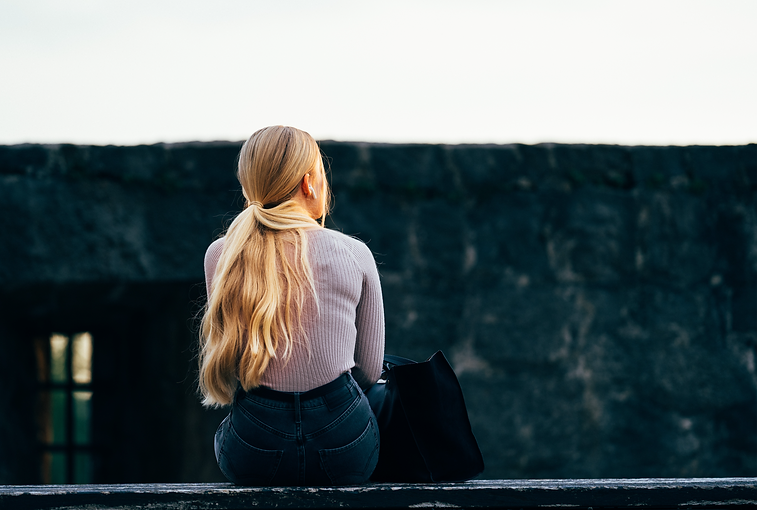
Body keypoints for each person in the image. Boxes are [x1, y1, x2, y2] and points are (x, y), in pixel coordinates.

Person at [199, 126, 385, 486]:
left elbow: (235, 368)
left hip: (254, 447)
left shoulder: (221, 255)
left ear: (248, 187)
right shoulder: (354, 253)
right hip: (345, 444)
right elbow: (369, 369)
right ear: (308, 183)